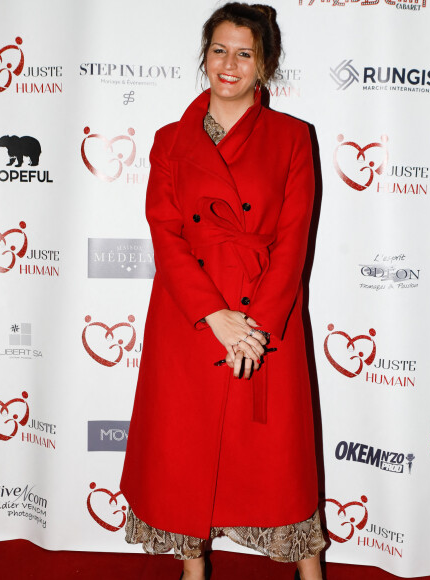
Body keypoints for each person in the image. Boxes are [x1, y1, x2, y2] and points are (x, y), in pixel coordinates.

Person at [120, 3, 325, 579]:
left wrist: (252, 326)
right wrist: (215, 315)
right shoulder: (168, 141)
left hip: (264, 318)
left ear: (264, 67)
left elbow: (292, 243)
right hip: (191, 319)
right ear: (203, 56)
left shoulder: (292, 138)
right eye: (219, 50)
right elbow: (166, 235)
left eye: (244, 53)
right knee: (185, 452)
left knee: (279, 458)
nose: (228, 64)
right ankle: (193, 567)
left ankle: (309, 568)